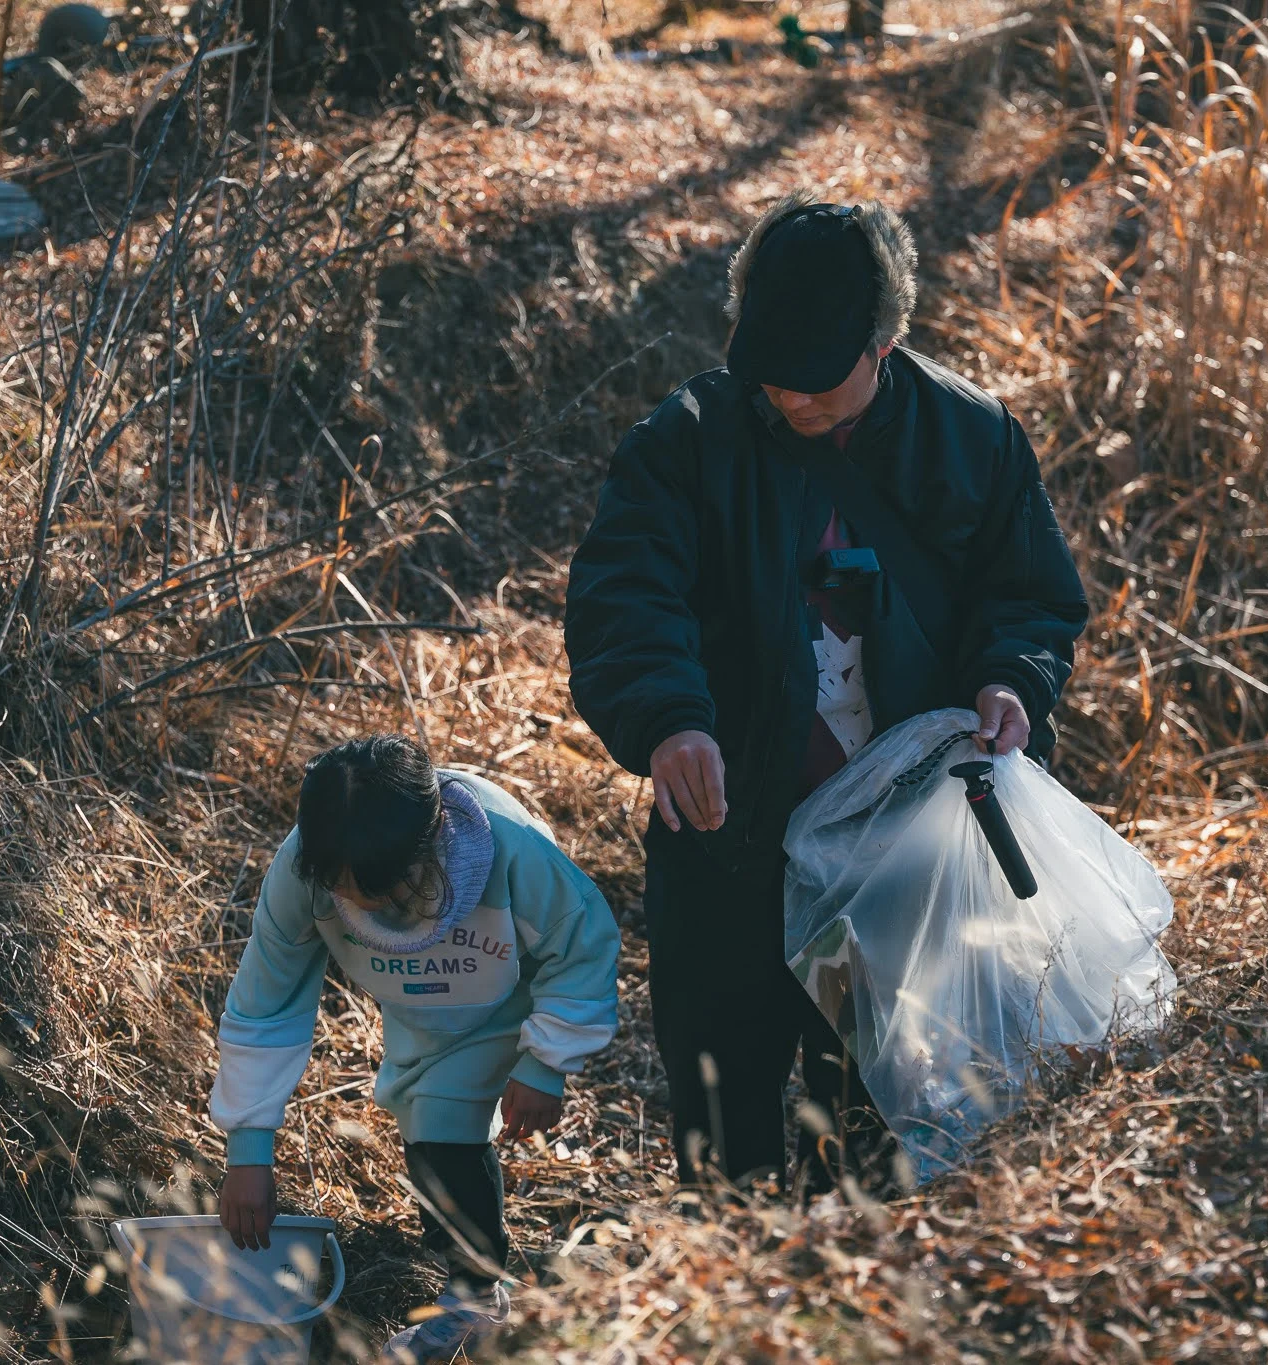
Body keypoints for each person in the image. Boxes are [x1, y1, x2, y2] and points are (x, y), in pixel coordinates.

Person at [563, 192, 1088, 1193]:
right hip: (730, 834)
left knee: (877, 1106)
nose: (791, 400)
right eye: (770, 373)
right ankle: (729, 1298)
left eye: (817, 380)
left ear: (883, 345)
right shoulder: (683, 443)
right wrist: (669, 720)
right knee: (723, 1109)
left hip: (904, 847)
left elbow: (1027, 597)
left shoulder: (969, 438)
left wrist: (1010, 680)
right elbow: (623, 599)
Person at [210, 735, 621, 1363]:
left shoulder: (510, 848)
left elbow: (582, 940)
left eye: (379, 885)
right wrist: (248, 1149)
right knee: (429, 1131)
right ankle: (472, 1286)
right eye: (342, 888)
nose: (360, 901)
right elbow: (264, 1006)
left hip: (516, 994)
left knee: (441, 1132)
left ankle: (474, 1295)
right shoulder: (304, 871)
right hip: (421, 1012)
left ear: (429, 843)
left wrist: (547, 1060)